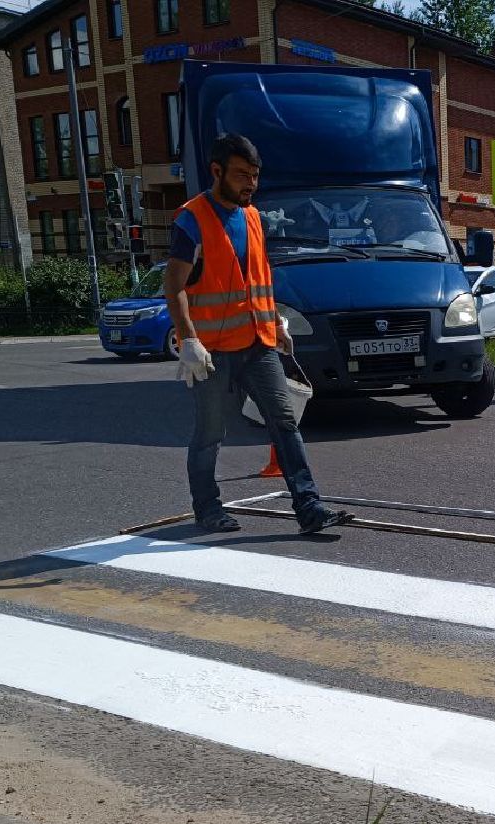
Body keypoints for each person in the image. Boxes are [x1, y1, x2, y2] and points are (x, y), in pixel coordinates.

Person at [164, 133, 350, 535]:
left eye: (255, 176)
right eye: (241, 175)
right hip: (210, 351)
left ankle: (309, 507)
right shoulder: (191, 220)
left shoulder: (251, 217)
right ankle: (208, 508)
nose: (251, 184)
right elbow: (174, 285)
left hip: (258, 342)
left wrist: (276, 322)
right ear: (216, 172)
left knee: (285, 423)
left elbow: (257, 279)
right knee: (210, 433)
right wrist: (189, 340)